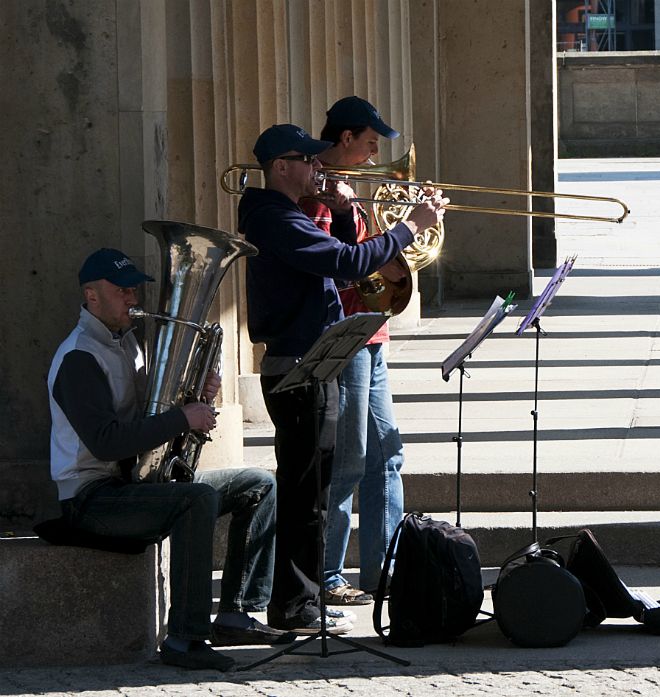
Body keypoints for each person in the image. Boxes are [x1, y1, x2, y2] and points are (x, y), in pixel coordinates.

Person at [238, 124, 446, 632]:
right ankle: (293, 605)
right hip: (297, 366)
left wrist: (351, 211)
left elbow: (351, 271)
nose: (318, 167)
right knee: (304, 494)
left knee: (314, 492)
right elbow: (343, 260)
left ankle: (303, 601)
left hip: (317, 360)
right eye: (307, 161)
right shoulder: (273, 216)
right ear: (281, 168)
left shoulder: (288, 213)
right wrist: (408, 227)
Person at [48, 248, 287, 673]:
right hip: (91, 500)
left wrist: (197, 400)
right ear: (91, 295)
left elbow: (145, 420)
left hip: (129, 486)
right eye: (122, 291)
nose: (132, 299)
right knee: (194, 500)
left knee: (259, 483)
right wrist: (182, 417)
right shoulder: (78, 357)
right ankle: (185, 638)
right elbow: (105, 443)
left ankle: (236, 613)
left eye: (134, 290)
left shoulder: (127, 344)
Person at [299, 96, 408, 606]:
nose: (372, 156)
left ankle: (383, 571)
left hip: (373, 331)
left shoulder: (348, 191)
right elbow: (342, 264)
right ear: (345, 139)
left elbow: (376, 257)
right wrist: (407, 227)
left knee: (387, 455)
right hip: (344, 334)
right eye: (368, 145)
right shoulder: (317, 192)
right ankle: (326, 573)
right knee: (349, 458)